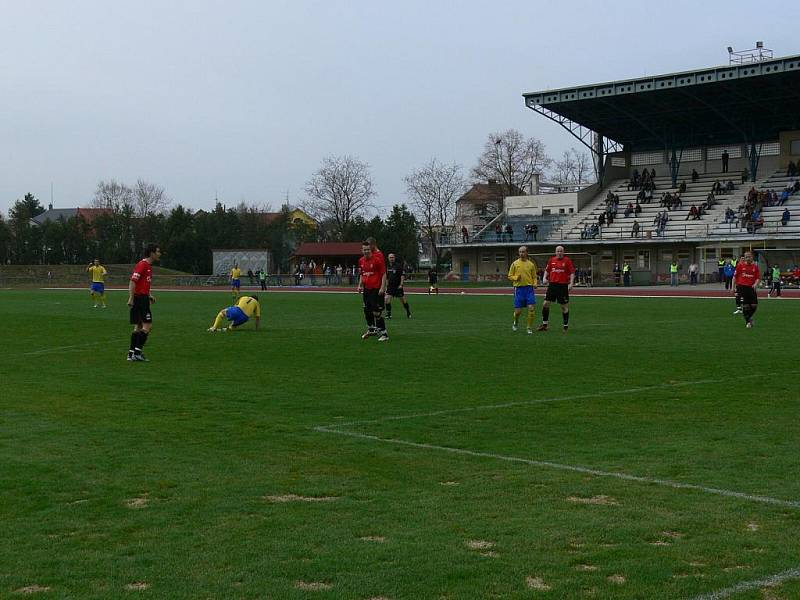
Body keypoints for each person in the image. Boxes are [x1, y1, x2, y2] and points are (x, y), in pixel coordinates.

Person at [127, 243, 161, 362]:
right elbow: (132, 281)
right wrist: (131, 298)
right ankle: (137, 352)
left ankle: (131, 354)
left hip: (142, 297)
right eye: (157, 251)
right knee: (147, 326)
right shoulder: (143, 265)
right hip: (140, 299)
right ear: (151, 253)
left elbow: (143, 283)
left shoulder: (149, 266)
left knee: (138, 326)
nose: (159, 254)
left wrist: (149, 295)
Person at [537, 245, 575, 333]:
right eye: (558, 251)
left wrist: (571, 283)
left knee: (564, 307)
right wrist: (544, 278)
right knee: (545, 304)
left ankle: (565, 326)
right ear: (555, 252)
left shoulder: (567, 261)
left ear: (563, 252)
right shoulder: (551, 260)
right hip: (552, 285)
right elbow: (547, 270)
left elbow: (572, 272)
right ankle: (544, 325)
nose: (559, 253)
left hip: (563, 286)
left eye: (561, 251)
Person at [357, 240, 389, 341]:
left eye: (368, 249)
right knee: (367, 310)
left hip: (376, 289)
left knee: (376, 313)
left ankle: (384, 334)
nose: (366, 251)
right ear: (362, 250)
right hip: (367, 289)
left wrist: (383, 287)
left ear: (370, 249)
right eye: (364, 250)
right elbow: (362, 274)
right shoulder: (361, 261)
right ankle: (372, 329)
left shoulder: (377, 260)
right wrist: (360, 285)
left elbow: (383, 274)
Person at [507, 246, 538, 334]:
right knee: (518, 312)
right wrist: (515, 277)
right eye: (520, 252)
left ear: (527, 253)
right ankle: (515, 322)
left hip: (529, 289)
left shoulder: (531, 264)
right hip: (519, 289)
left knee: (531, 309)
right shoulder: (515, 264)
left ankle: (529, 327)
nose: (521, 254)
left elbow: (534, 277)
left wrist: (535, 283)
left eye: (523, 252)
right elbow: (509, 276)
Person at [734, 251, 760, 328]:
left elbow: (758, 277)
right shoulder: (740, 265)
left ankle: (749, 317)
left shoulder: (755, 267)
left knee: (754, 305)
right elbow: (735, 276)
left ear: (752, 257)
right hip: (742, 287)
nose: (748, 258)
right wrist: (733, 287)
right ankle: (748, 322)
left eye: (749, 257)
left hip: (751, 288)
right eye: (746, 257)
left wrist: (755, 284)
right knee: (745, 306)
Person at [385, 253, 411, 319]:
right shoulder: (387, 266)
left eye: (392, 257)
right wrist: (386, 285)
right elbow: (386, 277)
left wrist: (401, 284)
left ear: (394, 258)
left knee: (403, 301)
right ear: (388, 258)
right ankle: (389, 315)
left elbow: (402, 275)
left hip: (397, 286)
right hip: (390, 286)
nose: (391, 259)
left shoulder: (398, 266)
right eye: (390, 257)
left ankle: (408, 312)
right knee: (387, 299)